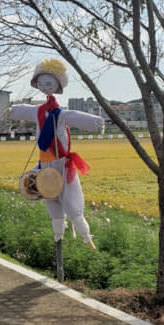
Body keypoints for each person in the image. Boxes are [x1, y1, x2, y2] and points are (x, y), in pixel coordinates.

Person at [8, 58, 104, 249]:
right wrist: (12, 111)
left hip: (61, 163)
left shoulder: (60, 114)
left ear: (58, 85)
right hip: (44, 163)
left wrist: (96, 123)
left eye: (49, 84)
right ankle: (58, 232)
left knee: (71, 200)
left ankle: (85, 235)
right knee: (49, 197)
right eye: (42, 84)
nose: (45, 87)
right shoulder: (38, 111)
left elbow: (76, 116)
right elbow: (24, 111)